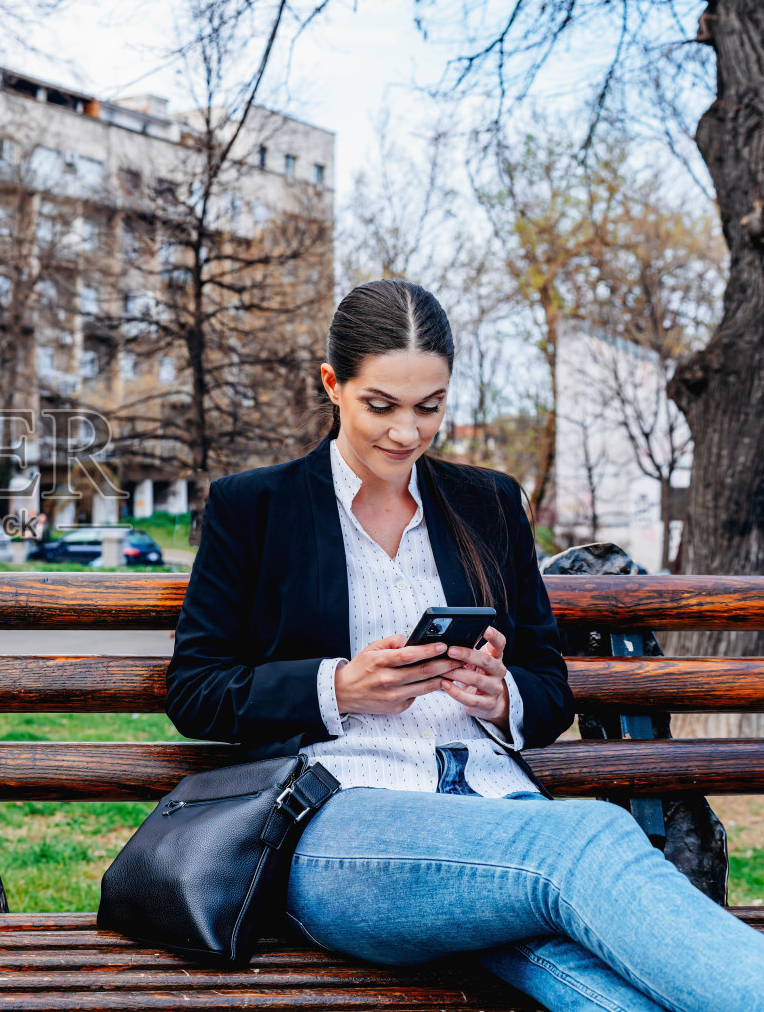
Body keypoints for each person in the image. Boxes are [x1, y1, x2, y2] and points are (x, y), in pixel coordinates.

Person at [168, 279, 764, 1011]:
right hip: (342, 824)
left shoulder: (486, 502)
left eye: (431, 406)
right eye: (380, 405)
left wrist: (503, 693)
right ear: (333, 384)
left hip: (496, 805)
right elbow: (195, 689)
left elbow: (547, 682)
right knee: (584, 841)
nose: (407, 432)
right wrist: (338, 688)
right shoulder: (255, 507)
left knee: (597, 987)